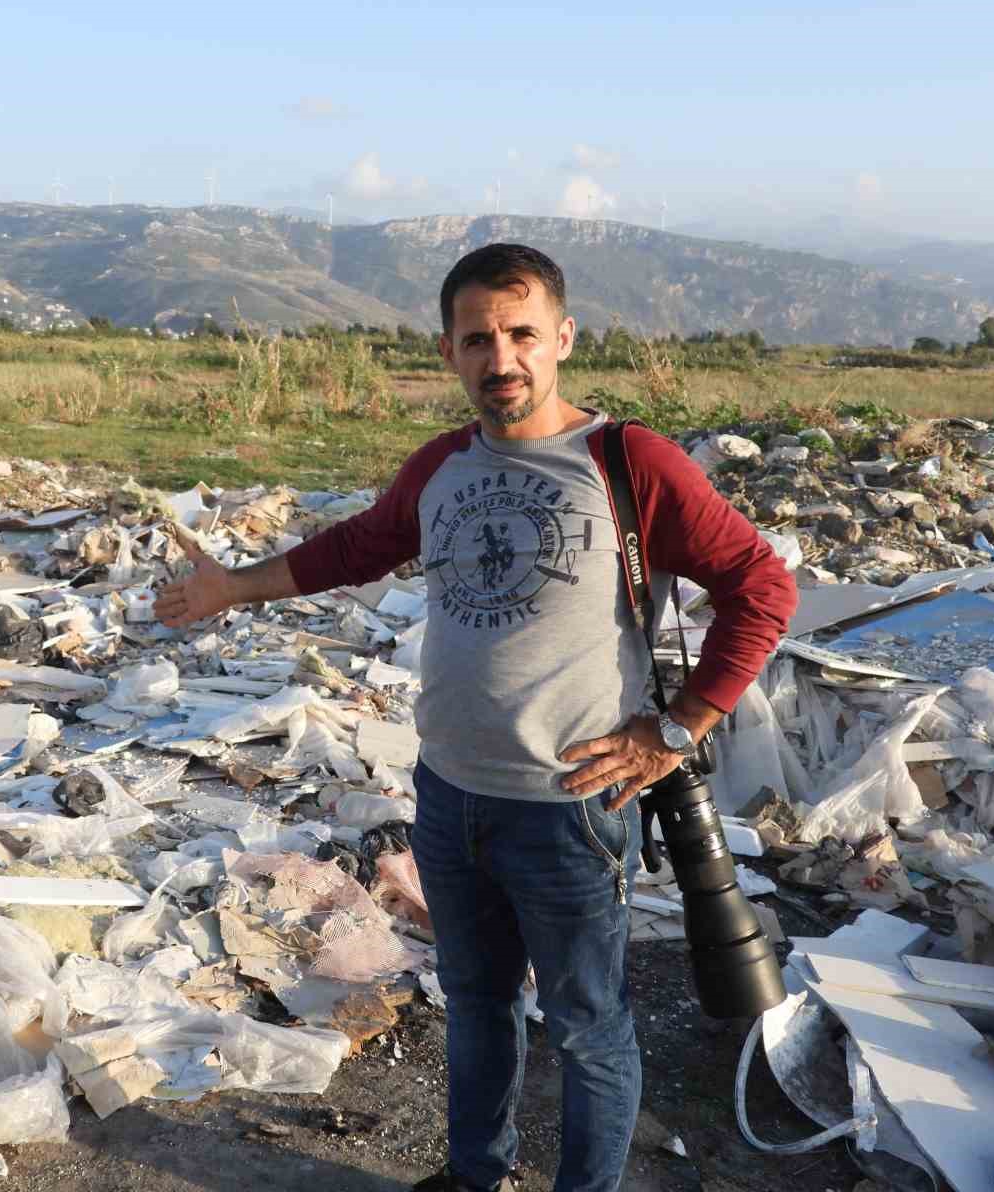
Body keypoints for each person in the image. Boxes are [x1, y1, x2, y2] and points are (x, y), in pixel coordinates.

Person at [155, 243, 797, 1192]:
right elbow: (359, 547)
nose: (503, 359)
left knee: (587, 1026)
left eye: (522, 334)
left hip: (571, 804)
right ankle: (476, 1174)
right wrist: (231, 588)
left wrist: (677, 728)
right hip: (451, 796)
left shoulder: (631, 464)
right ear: (450, 352)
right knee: (477, 1001)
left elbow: (761, 586)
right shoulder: (442, 466)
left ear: (563, 339)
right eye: (478, 339)